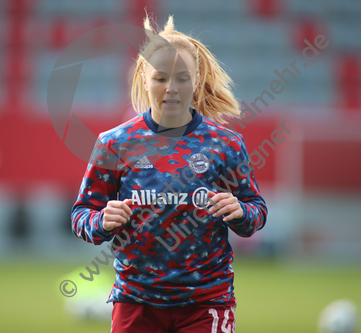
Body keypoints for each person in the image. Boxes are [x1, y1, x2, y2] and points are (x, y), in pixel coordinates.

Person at [72, 14, 268, 333]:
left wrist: (240, 212)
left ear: (197, 79)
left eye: (181, 78)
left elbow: (256, 212)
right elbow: (82, 214)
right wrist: (101, 222)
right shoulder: (114, 144)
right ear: (144, 78)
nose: (171, 88)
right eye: (161, 78)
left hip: (207, 303)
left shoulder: (226, 144)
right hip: (136, 302)